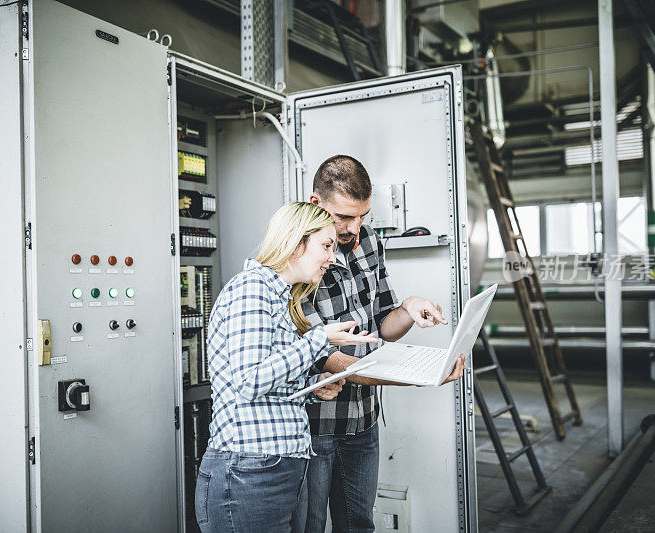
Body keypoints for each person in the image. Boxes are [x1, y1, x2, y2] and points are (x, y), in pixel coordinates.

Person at [302, 155, 467, 533]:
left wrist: (409, 309)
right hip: (313, 424)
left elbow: (381, 327)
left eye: (363, 215)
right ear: (316, 204)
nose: (354, 228)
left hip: (363, 418)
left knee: (359, 524)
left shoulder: (368, 241)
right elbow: (326, 358)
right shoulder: (297, 251)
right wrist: (422, 376)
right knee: (308, 526)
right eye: (344, 217)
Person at [195, 202, 379, 533]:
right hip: (248, 472)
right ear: (296, 243)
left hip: (273, 468)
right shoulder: (251, 289)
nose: (332, 258)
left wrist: (313, 385)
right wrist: (318, 339)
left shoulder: (279, 298)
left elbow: (267, 387)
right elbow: (250, 381)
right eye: (326, 246)